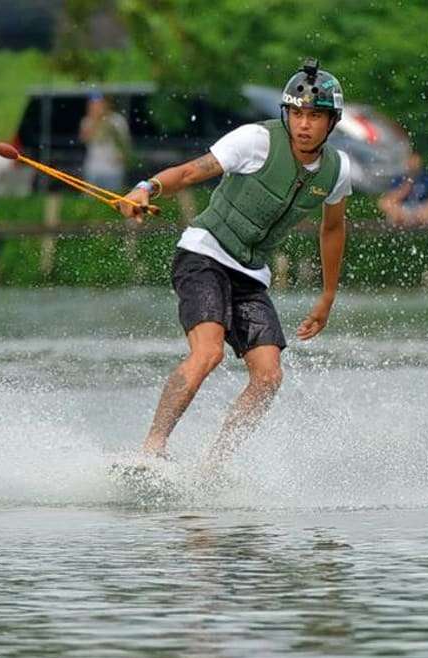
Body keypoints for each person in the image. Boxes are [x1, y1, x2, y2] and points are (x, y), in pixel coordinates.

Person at [119, 58, 352, 465]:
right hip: (203, 254)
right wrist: (146, 187)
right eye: (297, 114)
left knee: (268, 376)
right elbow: (192, 172)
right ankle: (151, 450)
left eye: (315, 116)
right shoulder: (255, 141)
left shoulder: (336, 170)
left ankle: (214, 466)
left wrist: (328, 295)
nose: (304, 124)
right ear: (286, 113)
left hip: (250, 275)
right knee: (207, 353)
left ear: (331, 122)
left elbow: (332, 229)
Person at [378, 151, 428, 227]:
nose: (414, 163)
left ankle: (419, 221)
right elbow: (388, 200)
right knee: (388, 205)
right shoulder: (399, 178)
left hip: (422, 209)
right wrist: (406, 186)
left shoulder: (427, 178)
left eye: (416, 160)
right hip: (404, 209)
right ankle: (406, 221)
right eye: (412, 160)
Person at [79, 93, 130, 191]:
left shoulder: (117, 120)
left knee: (113, 199)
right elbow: (84, 138)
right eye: (93, 105)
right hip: (93, 167)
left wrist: (123, 156)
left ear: (106, 104)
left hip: (113, 169)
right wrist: (96, 120)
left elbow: (125, 141)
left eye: (99, 104)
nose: (96, 107)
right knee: (91, 200)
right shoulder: (87, 121)